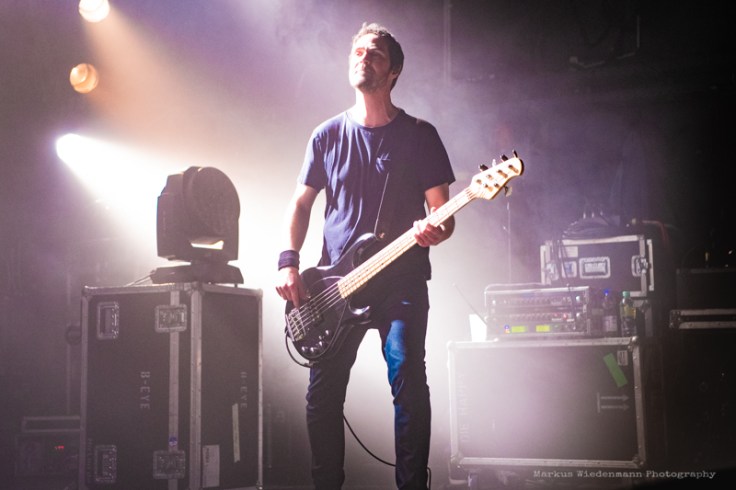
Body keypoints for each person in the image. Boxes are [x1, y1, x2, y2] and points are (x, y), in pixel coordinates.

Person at [276, 22, 455, 490]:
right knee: (322, 396)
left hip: (401, 279)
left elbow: (444, 214)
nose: (363, 58)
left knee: (408, 379)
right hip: (337, 286)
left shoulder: (419, 135)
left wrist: (435, 229)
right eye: (357, 52)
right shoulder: (327, 135)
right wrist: (288, 261)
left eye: (374, 54)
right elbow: (300, 203)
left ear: (394, 71)